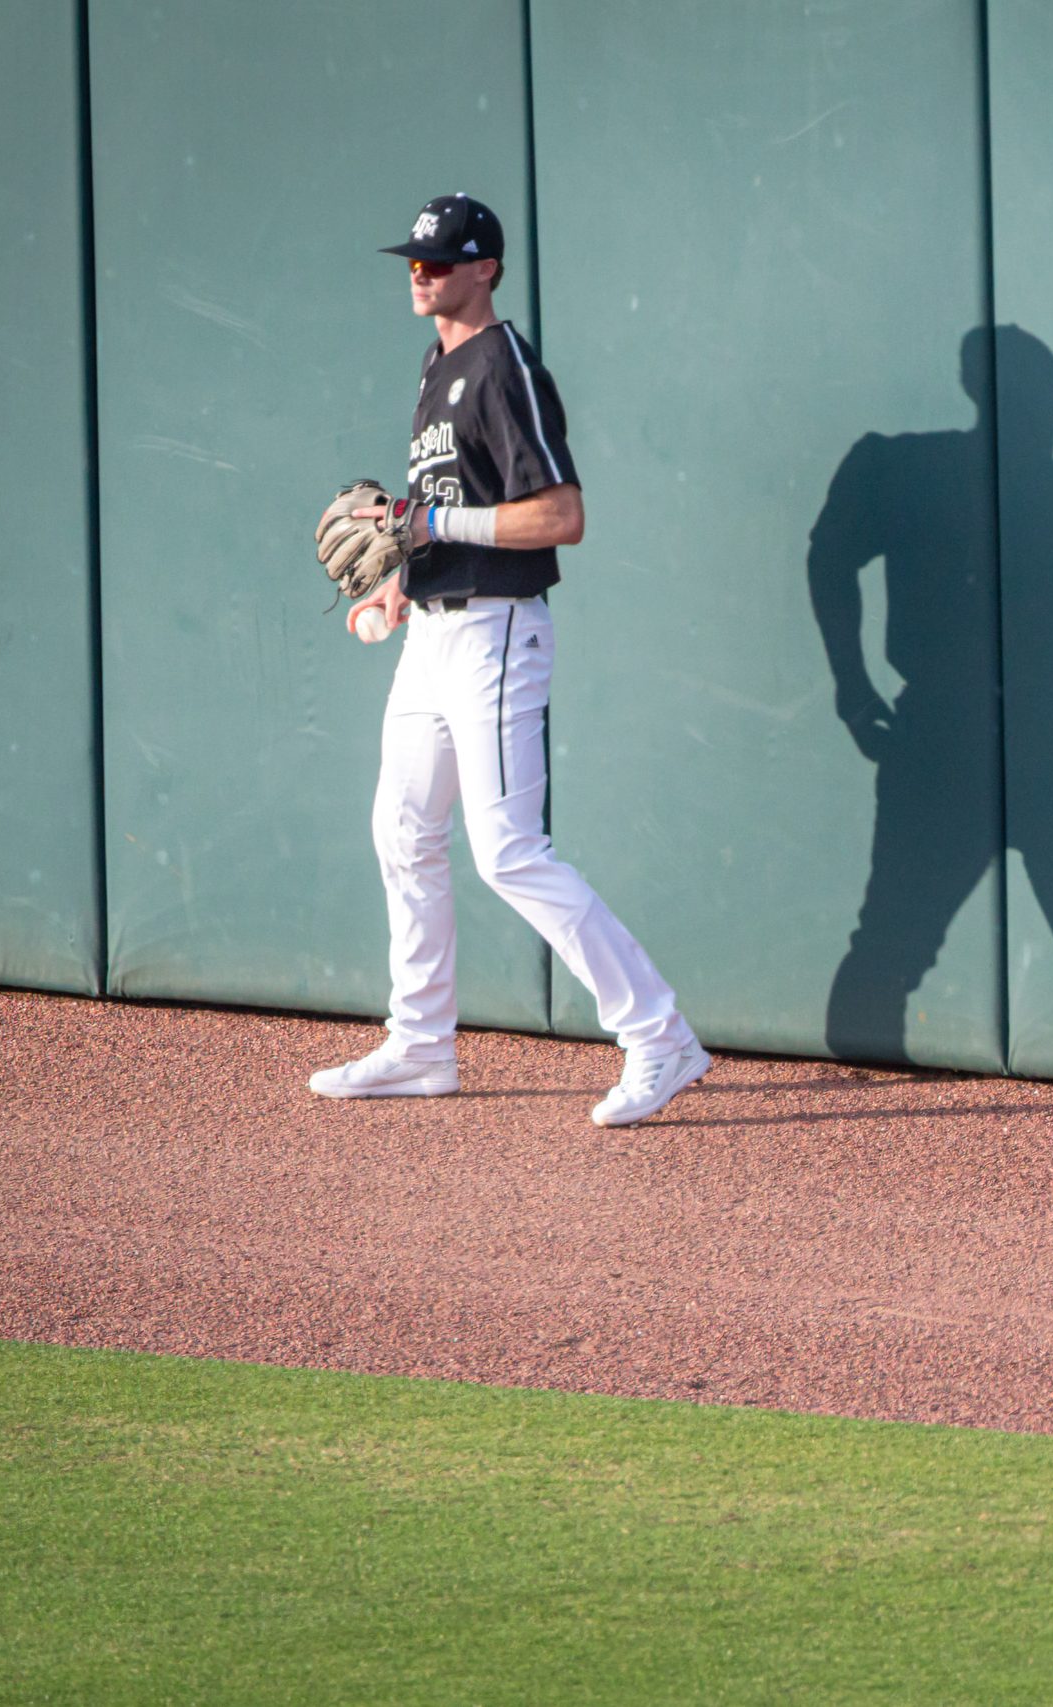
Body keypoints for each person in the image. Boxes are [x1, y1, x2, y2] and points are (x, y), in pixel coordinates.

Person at [307, 193, 709, 1126]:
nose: (422, 273)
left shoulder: (504, 365)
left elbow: (562, 517)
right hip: (435, 629)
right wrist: (401, 581)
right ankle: (420, 1044)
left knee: (510, 854)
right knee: (401, 832)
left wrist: (430, 523)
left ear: (485, 267)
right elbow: (435, 512)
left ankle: (660, 1035)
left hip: (497, 634)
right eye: (414, 262)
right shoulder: (434, 366)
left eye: (439, 261)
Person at [811, 326, 1053, 1082]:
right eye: (1042, 410)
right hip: (1033, 752)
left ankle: (854, 1139)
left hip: (967, 744)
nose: (1045, 427)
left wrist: (853, 686)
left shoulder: (907, 470)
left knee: (891, 952)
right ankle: (854, 1143)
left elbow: (829, 555)